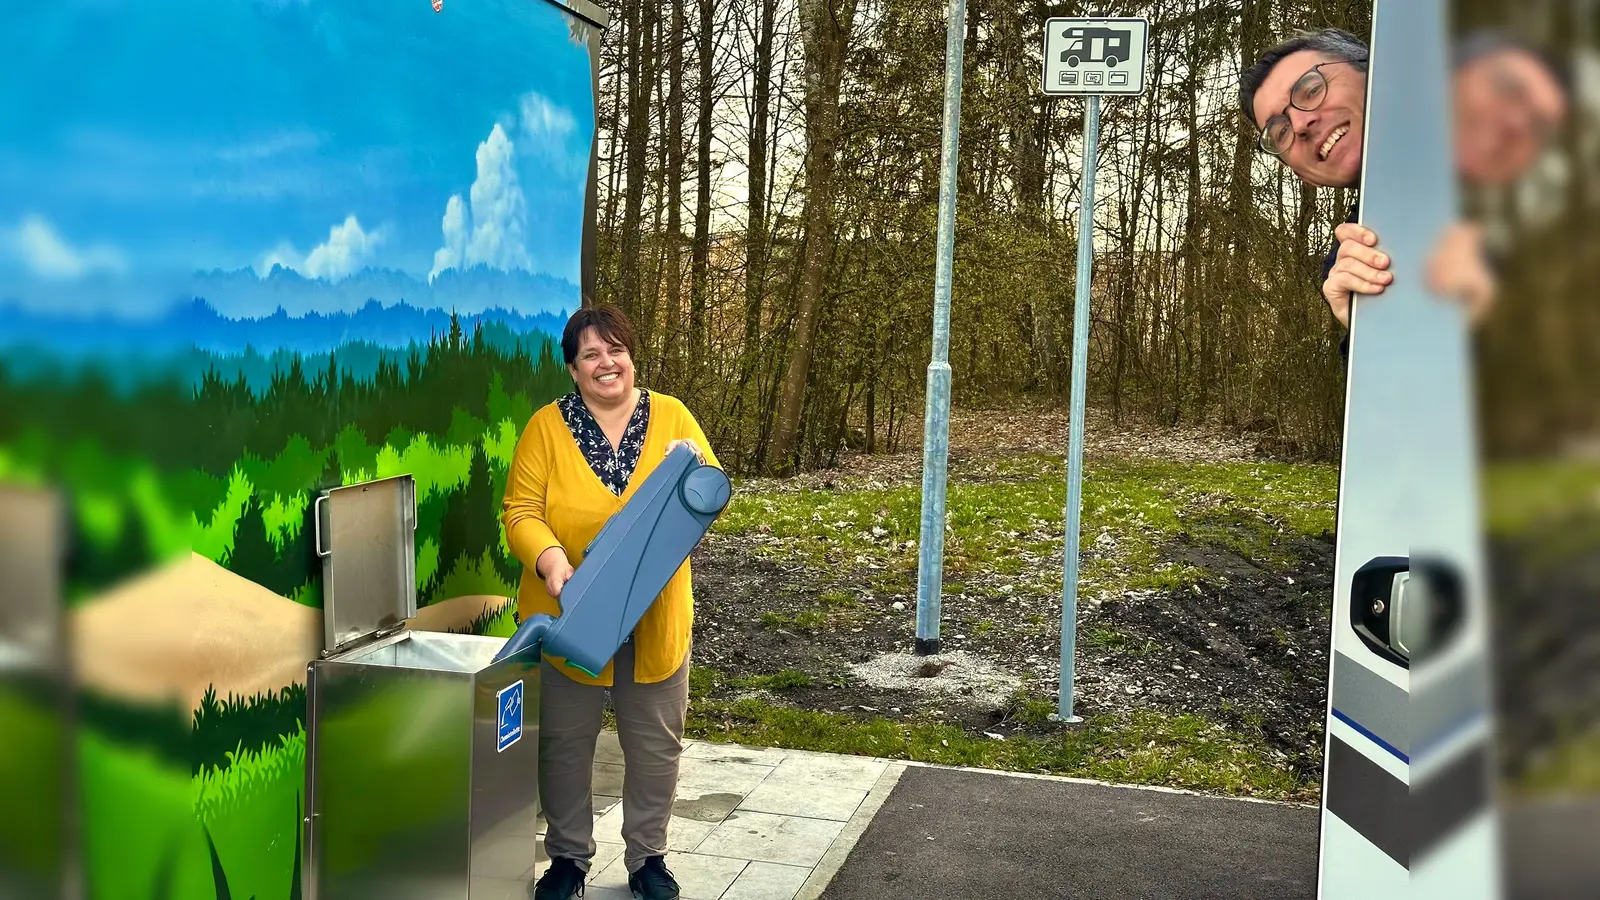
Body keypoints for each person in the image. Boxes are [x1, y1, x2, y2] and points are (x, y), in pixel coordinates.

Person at [502, 304, 719, 900]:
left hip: (655, 617)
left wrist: (691, 479)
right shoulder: (546, 428)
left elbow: (708, 495)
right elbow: (520, 512)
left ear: (632, 357)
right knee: (564, 745)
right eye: (591, 354)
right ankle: (568, 860)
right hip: (571, 615)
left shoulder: (673, 418)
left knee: (655, 746)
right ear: (573, 368)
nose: (606, 363)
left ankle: (648, 859)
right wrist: (553, 562)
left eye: (616, 350)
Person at [1239, 28, 1569, 341]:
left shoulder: (1484, 88)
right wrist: (1373, 334)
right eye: (1280, 131)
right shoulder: (1354, 265)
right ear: (1302, 175)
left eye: (1311, 89)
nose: (1299, 124)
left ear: (1373, 70)